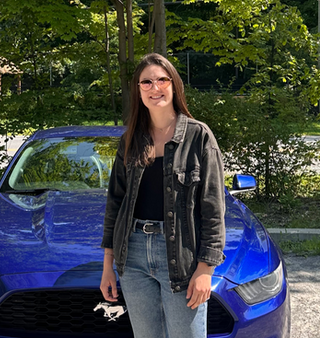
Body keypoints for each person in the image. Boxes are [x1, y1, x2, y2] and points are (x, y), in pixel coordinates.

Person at [99, 53, 226, 338]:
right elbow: (115, 204)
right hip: (132, 256)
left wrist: (206, 268)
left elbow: (213, 209)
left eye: (162, 80)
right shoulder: (130, 140)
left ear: (174, 85)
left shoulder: (199, 136)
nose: (154, 87)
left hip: (181, 257)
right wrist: (108, 265)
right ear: (138, 90)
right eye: (146, 82)